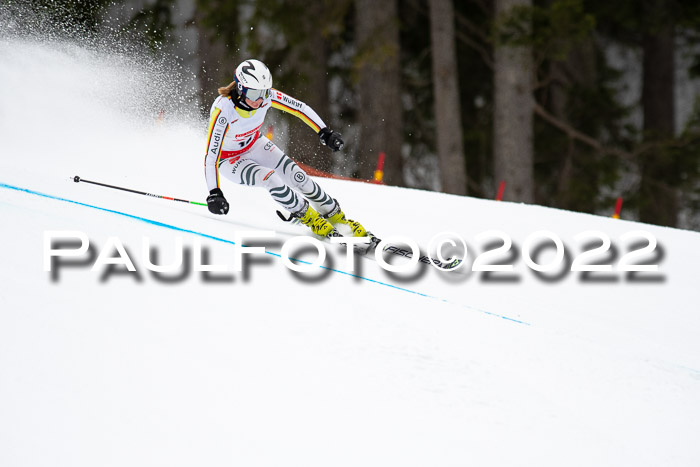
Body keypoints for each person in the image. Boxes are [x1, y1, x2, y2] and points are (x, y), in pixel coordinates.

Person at [204, 58, 369, 240]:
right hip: (229, 159)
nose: (259, 99)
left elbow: (300, 108)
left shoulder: (267, 97)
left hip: (254, 144)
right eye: (253, 93)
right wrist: (214, 192)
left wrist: (324, 132)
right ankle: (310, 219)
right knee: (270, 178)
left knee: (299, 177)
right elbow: (211, 156)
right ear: (240, 89)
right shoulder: (224, 111)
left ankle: (338, 218)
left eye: (263, 92)